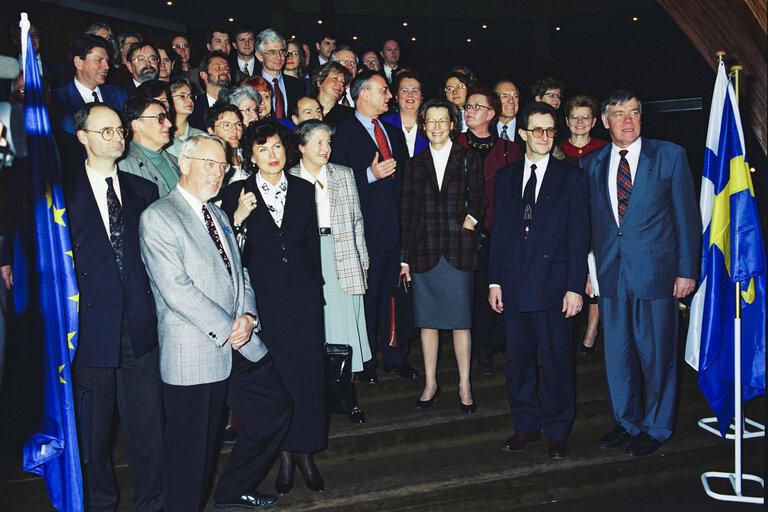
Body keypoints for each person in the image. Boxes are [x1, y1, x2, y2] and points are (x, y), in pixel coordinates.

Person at [140, 133, 291, 512]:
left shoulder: (219, 214)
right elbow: (177, 291)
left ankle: (231, 489)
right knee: (191, 457)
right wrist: (229, 326)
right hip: (195, 353)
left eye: (222, 166)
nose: (217, 173)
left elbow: (240, 274)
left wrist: (250, 316)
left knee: (274, 411)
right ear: (185, 164)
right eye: (209, 164)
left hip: (240, 343)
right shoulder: (159, 217)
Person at [581, 90, 700, 457]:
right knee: (618, 355)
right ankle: (628, 420)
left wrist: (686, 271)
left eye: (634, 113)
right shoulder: (593, 163)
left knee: (658, 355)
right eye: (619, 114)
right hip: (611, 275)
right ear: (605, 121)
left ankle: (658, 426)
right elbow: (592, 225)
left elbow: (686, 218)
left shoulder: (669, 156)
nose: (628, 120)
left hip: (658, 275)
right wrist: (589, 270)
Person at [220, 119, 326, 495]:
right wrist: (237, 220)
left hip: (304, 295)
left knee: (309, 375)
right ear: (250, 156)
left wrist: (318, 290)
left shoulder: (302, 188)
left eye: (278, 147)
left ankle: (307, 452)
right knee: (277, 378)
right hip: (263, 300)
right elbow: (227, 255)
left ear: (289, 150)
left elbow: (310, 245)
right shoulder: (236, 192)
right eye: (262, 149)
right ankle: (283, 453)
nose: (272, 155)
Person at [65, 102, 163, 511]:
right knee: (92, 435)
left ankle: (152, 504)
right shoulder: (60, 199)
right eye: (105, 131)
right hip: (89, 335)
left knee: (148, 430)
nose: (117, 136)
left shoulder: (145, 191)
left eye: (120, 129)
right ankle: (100, 504)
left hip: (139, 330)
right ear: (83, 138)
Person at [489, 101, 590, 460]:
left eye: (550, 130)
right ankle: (526, 426)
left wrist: (575, 286)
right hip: (514, 285)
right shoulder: (506, 177)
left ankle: (558, 430)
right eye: (537, 130)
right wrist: (494, 282)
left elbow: (580, 238)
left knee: (558, 361)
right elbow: (499, 232)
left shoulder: (573, 177)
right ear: (522, 134)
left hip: (556, 286)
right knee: (517, 362)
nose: (544, 137)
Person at [330, 70, 419, 384]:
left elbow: (405, 187)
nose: (390, 96)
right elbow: (334, 185)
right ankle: (366, 362)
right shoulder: (342, 134)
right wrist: (369, 175)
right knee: (366, 303)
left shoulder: (392, 133)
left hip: (395, 233)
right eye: (384, 90)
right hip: (364, 235)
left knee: (393, 299)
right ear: (363, 94)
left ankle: (395, 358)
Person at [400, 99, 488, 413]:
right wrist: (404, 259)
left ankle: (465, 383)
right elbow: (407, 212)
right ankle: (430, 383)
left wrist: (470, 221)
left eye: (442, 121)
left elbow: (480, 197)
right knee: (428, 324)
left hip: (458, 249)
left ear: (453, 125)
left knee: (461, 323)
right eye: (431, 121)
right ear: (423, 126)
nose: (436, 127)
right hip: (424, 251)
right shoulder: (413, 164)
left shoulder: (468, 158)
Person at [289, 119, 371, 424]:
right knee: (314, 329)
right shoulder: (289, 178)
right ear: (301, 147)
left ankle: (347, 397)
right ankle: (315, 399)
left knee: (344, 330)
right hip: (307, 257)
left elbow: (357, 222)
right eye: (318, 143)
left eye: (328, 142)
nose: (326, 149)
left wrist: (363, 262)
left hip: (342, 257)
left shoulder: (345, 175)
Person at [457, 86, 523, 376]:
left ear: (492, 114)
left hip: (498, 231)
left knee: (493, 291)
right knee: (467, 295)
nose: (469, 111)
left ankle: (491, 347)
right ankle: (473, 349)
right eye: (467, 107)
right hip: (461, 231)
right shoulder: (453, 143)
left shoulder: (510, 149)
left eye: (476, 106)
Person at [558, 94, 609, 356]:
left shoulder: (605, 148)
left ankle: (591, 331)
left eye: (585, 117)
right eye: (575, 117)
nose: (580, 122)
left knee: (596, 279)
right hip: (567, 223)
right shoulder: (556, 149)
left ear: (594, 121)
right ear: (566, 121)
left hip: (599, 221)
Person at [51, 34, 127, 136]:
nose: (106, 67)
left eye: (107, 61)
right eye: (98, 60)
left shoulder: (117, 95)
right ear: (79, 63)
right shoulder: (57, 99)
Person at [119, 96, 179, 196]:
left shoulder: (175, 161)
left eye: (166, 117)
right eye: (160, 118)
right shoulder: (124, 166)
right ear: (137, 125)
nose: (169, 124)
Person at [254, 29, 305, 119]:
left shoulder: (298, 86)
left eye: (281, 51)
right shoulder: (250, 86)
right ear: (259, 56)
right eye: (272, 52)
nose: (279, 57)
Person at [381, 71, 428, 157]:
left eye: (415, 90)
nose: (410, 95)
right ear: (396, 96)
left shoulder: (431, 124)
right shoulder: (383, 124)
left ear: (421, 97)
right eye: (404, 90)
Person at [188, 50, 231, 130]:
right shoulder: (194, 108)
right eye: (218, 67)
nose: (225, 71)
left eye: (227, 68)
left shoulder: (236, 101)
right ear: (204, 75)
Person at [205, 102, 246, 185]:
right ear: (211, 130)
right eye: (226, 125)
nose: (234, 130)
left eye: (238, 124)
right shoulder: (209, 165)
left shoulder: (248, 159)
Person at [167, 77, 204, 158]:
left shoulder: (201, 137)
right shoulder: (162, 135)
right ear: (169, 100)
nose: (190, 100)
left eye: (190, 96)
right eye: (183, 96)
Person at [311, 62, 354, 128]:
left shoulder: (349, 115)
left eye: (343, 82)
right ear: (319, 82)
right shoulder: (305, 107)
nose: (341, 84)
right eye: (335, 78)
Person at [494, 79, 523, 146]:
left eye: (515, 96)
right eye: (505, 96)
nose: (511, 101)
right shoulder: (485, 128)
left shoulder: (527, 128)